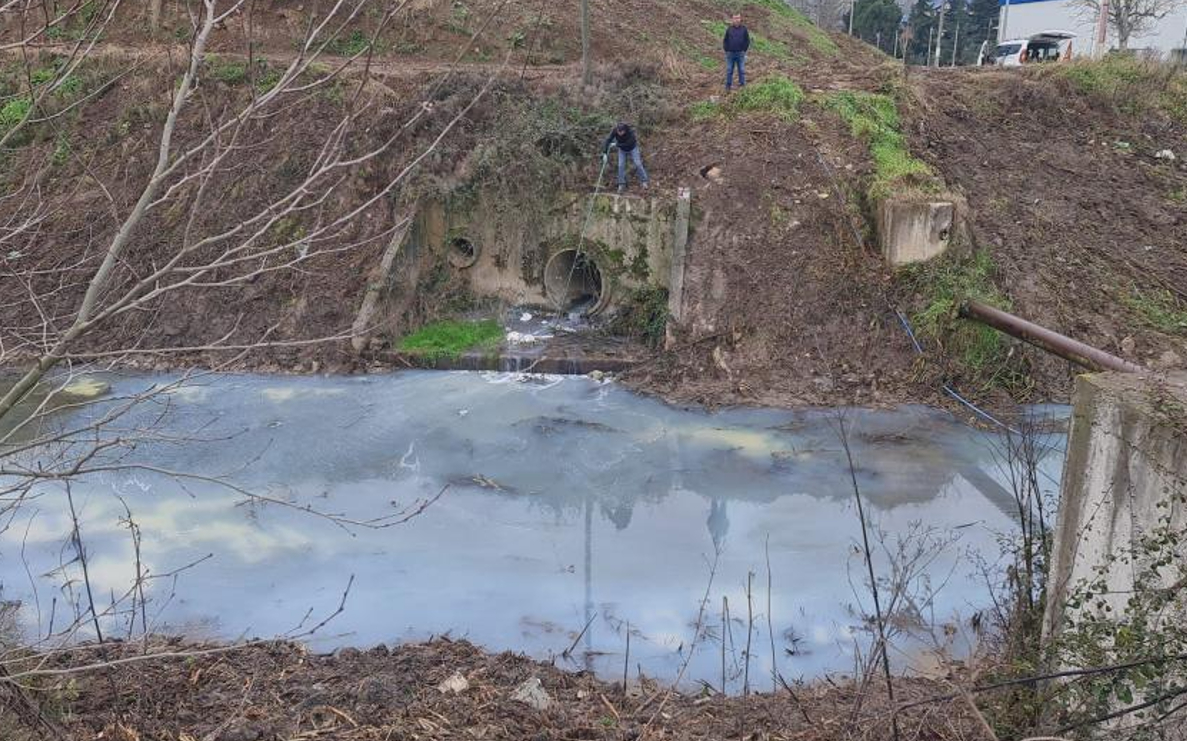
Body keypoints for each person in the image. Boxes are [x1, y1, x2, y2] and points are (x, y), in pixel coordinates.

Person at [601, 122, 649, 194]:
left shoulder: (630, 132)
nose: (619, 133)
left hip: (632, 148)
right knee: (620, 165)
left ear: (624, 130)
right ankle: (621, 184)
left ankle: (644, 181)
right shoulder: (615, 131)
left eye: (621, 132)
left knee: (637, 164)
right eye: (618, 131)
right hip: (622, 150)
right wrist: (604, 153)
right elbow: (608, 140)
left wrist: (616, 144)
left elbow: (628, 143)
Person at [723, 14, 750, 92]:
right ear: (732, 19)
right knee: (729, 70)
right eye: (735, 18)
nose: (736, 20)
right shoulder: (729, 29)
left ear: (740, 19)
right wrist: (726, 50)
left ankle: (742, 84)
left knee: (741, 70)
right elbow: (725, 40)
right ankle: (728, 85)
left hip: (740, 54)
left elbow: (747, 40)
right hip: (730, 54)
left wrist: (744, 50)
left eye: (738, 18)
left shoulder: (744, 29)